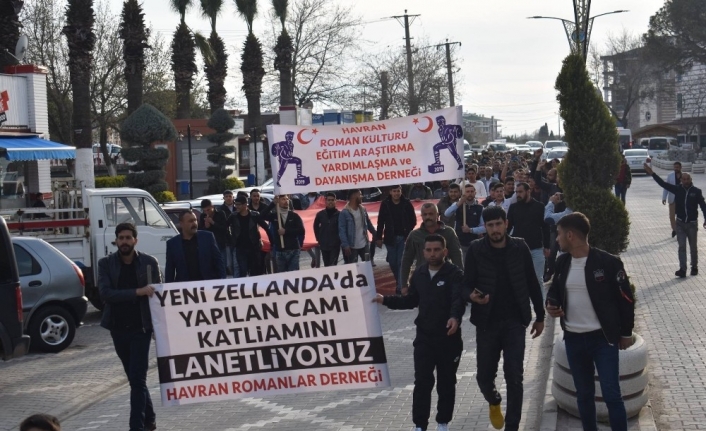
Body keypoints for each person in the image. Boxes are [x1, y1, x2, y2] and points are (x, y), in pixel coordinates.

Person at [546, 212, 635, 431]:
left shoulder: (608, 262)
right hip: (574, 340)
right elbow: (555, 290)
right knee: (584, 396)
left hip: (602, 339)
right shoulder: (562, 261)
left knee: (612, 395)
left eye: (558, 234)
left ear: (570, 235)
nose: (556, 239)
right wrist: (550, 305)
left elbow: (625, 300)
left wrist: (625, 333)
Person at [464, 206, 545, 431]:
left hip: (514, 322)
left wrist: (540, 316)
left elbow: (532, 282)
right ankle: (494, 400)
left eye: (499, 224)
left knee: (514, 376)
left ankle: (512, 426)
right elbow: (465, 283)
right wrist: (470, 295)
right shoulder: (475, 249)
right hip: (486, 323)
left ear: (506, 224)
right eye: (490, 225)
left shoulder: (520, 246)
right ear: (485, 227)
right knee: (483, 377)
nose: (495, 229)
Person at [373, 235, 465, 431]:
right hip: (424, 338)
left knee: (446, 383)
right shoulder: (420, 273)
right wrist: (385, 300)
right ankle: (420, 425)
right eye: (429, 250)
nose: (432, 254)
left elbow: (459, 300)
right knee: (422, 382)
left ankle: (442, 422)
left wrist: (455, 318)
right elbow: (411, 300)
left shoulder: (454, 274)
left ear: (445, 252)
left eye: (436, 250)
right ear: (423, 253)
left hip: (449, 338)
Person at [98, 223, 161, 431]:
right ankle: (150, 419)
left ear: (136, 240)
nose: (124, 242)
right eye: (121, 238)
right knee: (135, 379)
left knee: (137, 378)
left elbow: (158, 297)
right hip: (118, 328)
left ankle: (136, 427)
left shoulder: (149, 263)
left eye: (128, 238)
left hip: (141, 329)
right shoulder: (106, 264)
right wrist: (137, 292)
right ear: (116, 241)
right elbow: (106, 294)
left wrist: (159, 328)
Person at [644, 163, 706, 277]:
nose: (686, 181)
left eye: (688, 179)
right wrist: (652, 173)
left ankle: (694, 267)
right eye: (684, 179)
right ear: (681, 180)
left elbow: (703, 205)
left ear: (691, 180)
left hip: (692, 224)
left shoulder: (696, 192)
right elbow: (663, 184)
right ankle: (682, 269)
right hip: (680, 223)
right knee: (682, 246)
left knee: (693, 247)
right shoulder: (678, 189)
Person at [400, 203, 463, 294]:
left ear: (437, 215)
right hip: (423, 279)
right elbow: (406, 260)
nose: (428, 217)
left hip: (445, 278)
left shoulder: (449, 232)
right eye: (425, 214)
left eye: (431, 214)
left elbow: (457, 257)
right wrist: (404, 285)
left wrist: (460, 281)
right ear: (421, 216)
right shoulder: (414, 235)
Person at [507, 182, 550, 289]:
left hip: (536, 248)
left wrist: (547, 246)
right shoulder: (513, 208)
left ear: (528, 191)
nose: (518, 194)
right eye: (516, 192)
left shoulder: (539, 207)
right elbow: (507, 228)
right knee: (519, 278)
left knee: (538, 279)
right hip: (518, 249)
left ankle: (540, 305)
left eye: (520, 192)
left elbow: (545, 227)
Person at [376, 184, 417, 293]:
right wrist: (378, 237)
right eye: (394, 191)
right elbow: (380, 222)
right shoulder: (385, 204)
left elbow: (413, 220)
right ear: (390, 192)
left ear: (401, 191)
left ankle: (400, 287)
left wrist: (407, 230)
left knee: (401, 262)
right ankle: (400, 282)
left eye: (398, 191)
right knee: (393, 262)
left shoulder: (406, 203)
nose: (396, 193)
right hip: (390, 238)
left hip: (404, 238)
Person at [165, 210, 226, 282]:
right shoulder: (173, 244)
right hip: (185, 288)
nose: (194, 223)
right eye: (190, 221)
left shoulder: (207, 237)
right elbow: (170, 270)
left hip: (207, 285)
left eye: (195, 220)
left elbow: (218, 261)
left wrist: (222, 282)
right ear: (181, 223)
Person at [263, 195, 306, 272]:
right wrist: (272, 203)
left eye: (287, 199)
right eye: (283, 199)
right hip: (280, 250)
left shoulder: (294, 216)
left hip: (293, 249)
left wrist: (286, 231)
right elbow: (261, 216)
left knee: (293, 274)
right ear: (278, 201)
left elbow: (301, 230)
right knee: (282, 275)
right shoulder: (275, 216)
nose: (286, 201)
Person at [443, 183, 485, 261]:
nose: (470, 193)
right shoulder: (457, 205)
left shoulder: (480, 208)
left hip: (474, 241)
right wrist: (459, 203)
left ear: (475, 193)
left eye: (472, 191)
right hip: (459, 241)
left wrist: (471, 230)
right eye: (467, 191)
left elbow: (484, 227)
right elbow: (447, 214)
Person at [229, 195, 269, 276]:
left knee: (254, 271)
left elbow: (266, 227)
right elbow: (224, 227)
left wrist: (272, 242)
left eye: (238, 204)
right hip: (240, 248)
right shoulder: (233, 216)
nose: (236, 206)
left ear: (245, 205)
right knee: (242, 270)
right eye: (235, 204)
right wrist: (231, 240)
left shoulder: (255, 215)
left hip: (253, 247)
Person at [339, 189, 376, 263]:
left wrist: (376, 234)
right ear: (353, 196)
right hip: (351, 246)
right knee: (353, 269)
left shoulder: (363, 209)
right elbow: (341, 230)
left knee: (367, 266)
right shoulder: (344, 213)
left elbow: (368, 223)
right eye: (360, 194)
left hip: (364, 244)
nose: (362, 196)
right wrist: (346, 245)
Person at [199, 199, 232, 274]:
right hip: (209, 245)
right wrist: (206, 227)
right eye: (204, 211)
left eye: (208, 210)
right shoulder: (202, 216)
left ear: (212, 207)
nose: (207, 212)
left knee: (222, 264)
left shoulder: (220, 213)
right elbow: (200, 231)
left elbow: (224, 228)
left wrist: (213, 223)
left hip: (220, 243)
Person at [314, 192, 342, 267]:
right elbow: (315, 226)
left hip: (335, 245)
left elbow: (342, 228)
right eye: (329, 200)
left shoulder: (340, 215)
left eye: (332, 200)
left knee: (332, 266)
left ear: (335, 201)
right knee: (326, 265)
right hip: (324, 245)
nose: (330, 202)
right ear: (325, 201)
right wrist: (318, 238)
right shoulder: (320, 214)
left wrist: (340, 240)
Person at [662, 161, 682, 238]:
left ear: (680, 168)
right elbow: (666, 187)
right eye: (675, 167)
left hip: (681, 200)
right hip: (672, 199)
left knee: (680, 216)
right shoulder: (670, 176)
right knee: (671, 216)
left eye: (677, 167)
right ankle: (674, 230)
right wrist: (664, 197)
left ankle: (680, 230)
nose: (676, 168)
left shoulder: (684, 176)